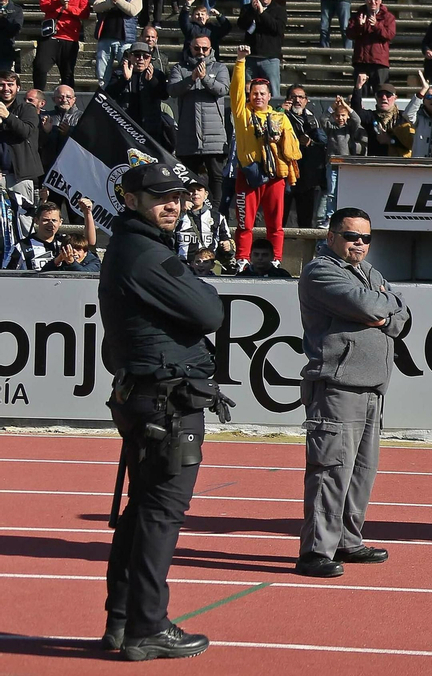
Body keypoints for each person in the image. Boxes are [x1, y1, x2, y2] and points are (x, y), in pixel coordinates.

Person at [98, 162, 225, 660]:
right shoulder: (147, 254)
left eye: (176, 195)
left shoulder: (134, 247)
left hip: (147, 395)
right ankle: (147, 625)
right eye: (159, 197)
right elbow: (210, 311)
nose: (171, 203)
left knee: (142, 511)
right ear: (130, 200)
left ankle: (123, 620)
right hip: (167, 400)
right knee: (160, 513)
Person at [295, 206, 409, 577]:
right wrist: (379, 306)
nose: (359, 243)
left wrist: (383, 309)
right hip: (336, 386)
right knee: (331, 470)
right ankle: (316, 551)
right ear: (331, 237)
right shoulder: (321, 271)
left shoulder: (370, 272)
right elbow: (367, 304)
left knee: (361, 471)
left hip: (372, 387)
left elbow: (401, 316)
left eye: (365, 238)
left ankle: (347, 541)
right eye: (350, 236)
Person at [228, 45, 301, 270]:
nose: (258, 97)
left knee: (275, 224)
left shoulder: (280, 117)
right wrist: (240, 61)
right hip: (249, 173)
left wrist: (279, 137)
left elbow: (295, 149)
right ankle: (242, 259)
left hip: (274, 175)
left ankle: (276, 259)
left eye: (262, 93)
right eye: (254, 93)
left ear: (270, 96)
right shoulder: (243, 114)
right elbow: (235, 92)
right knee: (244, 223)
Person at [167, 35, 230, 202]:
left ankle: (216, 214)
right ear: (190, 48)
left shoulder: (219, 68)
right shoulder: (179, 68)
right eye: (197, 48)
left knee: (216, 177)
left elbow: (223, 89)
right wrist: (192, 78)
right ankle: (188, 213)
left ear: (210, 49)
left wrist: (205, 78)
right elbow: (172, 90)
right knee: (188, 178)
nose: (201, 52)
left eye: (205, 48)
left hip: (214, 135)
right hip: (189, 135)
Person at [35, 0, 91, 88]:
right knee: (40, 68)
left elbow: (85, 13)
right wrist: (58, 3)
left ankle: (68, 102)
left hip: (70, 38)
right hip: (51, 36)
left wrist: (68, 7)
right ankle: (37, 98)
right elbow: (44, 6)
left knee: (68, 74)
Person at [349, 0, 396, 98]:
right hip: (361, 61)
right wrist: (359, 26)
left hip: (379, 62)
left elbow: (389, 35)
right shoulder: (357, 15)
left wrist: (376, 25)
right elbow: (349, 34)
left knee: (381, 92)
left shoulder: (388, 17)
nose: (373, 2)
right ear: (365, 0)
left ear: (380, 0)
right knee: (361, 93)